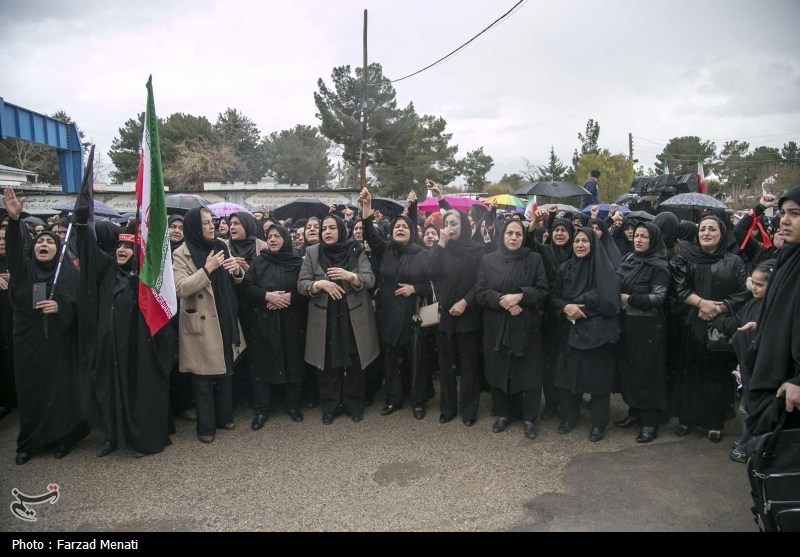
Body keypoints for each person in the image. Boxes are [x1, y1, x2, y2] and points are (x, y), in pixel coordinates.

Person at [3, 188, 90, 465]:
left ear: (57, 249)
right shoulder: (23, 270)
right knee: (32, 392)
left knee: (61, 391)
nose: (43, 244)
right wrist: (14, 221)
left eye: (49, 242)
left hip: (58, 343)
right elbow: (14, 249)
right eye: (40, 241)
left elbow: (82, 303)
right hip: (28, 341)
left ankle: (63, 437)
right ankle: (29, 442)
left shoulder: (67, 273)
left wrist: (61, 307)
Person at [76, 219, 176, 458]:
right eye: (119, 246)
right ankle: (112, 436)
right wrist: (82, 221)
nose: (121, 250)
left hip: (135, 351)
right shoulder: (107, 271)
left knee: (136, 395)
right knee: (110, 393)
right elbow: (89, 251)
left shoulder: (144, 279)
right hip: (109, 349)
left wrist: (137, 286)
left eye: (128, 247)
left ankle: (141, 439)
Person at [669, 214, 750, 443]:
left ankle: (715, 423)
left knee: (717, 376)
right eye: (702, 229)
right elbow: (678, 287)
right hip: (690, 324)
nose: (706, 233)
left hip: (721, 325)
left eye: (712, 229)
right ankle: (686, 419)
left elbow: (743, 292)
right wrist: (701, 303)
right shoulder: (685, 258)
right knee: (689, 374)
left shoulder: (734, 261)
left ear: (721, 233)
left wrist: (720, 307)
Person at [172, 207, 246, 444]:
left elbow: (234, 279)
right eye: (205, 223)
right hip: (201, 321)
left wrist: (237, 271)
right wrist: (207, 269)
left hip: (224, 315)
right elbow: (181, 288)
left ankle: (225, 417)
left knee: (226, 371)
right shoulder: (181, 253)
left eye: (211, 222)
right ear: (194, 227)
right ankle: (206, 427)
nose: (211, 226)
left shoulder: (221, 245)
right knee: (202, 377)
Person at [297, 214, 379, 424]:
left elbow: (369, 279)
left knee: (355, 361)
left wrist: (350, 276)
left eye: (332, 228)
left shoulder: (355, 249)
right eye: (324, 228)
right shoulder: (312, 252)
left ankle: (354, 404)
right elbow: (302, 284)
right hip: (325, 316)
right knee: (326, 362)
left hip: (353, 314)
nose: (327, 232)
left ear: (342, 230)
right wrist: (319, 285)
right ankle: (330, 406)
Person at [359, 188, 430, 419]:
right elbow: (369, 233)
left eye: (404, 227)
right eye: (397, 226)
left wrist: (414, 288)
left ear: (411, 232)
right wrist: (366, 207)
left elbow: (432, 282)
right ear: (391, 232)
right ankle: (393, 399)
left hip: (412, 314)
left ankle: (418, 401)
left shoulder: (421, 254)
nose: (400, 229)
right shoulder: (385, 249)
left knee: (415, 359)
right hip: (387, 313)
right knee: (391, 359)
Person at [475, 220, 549, 439]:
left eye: (518, 234)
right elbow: (480, 292)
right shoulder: (488, 260)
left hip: (526, 325)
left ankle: (529, 418)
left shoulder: (534, 259)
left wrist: (521, 296)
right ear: (502, 235)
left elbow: (542, 291)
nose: (514, 237)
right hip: (497, 325)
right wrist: (503, 300)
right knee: (499, 370)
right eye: (510, 233)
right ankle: (503, 413)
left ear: (524, 237)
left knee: (529, 372)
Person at [550, 226, 621, 442]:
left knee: (598, 381)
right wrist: (565, 307)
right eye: (576, 241)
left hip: (597, 333)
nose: (580, 245)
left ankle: (598, 423)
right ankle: (569, 417)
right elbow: (554, 296)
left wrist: (580, 305)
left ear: (593, 244)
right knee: (567, 378)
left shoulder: (604, 269)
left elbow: (608, 298)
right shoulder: (565, 268)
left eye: (584, 241)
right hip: (570, 331)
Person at [743, 186, 800, 442]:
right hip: (777, 376)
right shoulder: (789, 256)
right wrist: (765, 326)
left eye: (795, 214)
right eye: (783, 212)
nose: (784, 220)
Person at [422, 209, 486, 426]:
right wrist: (440, 244)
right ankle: (448, 409)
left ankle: (469, 410)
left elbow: (481, 282)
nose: (450, 227)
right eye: (447, 223)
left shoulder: (477, 249)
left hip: (468, 314)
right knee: (446, 365)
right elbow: (428, 271)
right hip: (445, 315)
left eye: (454, 223)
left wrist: (466, 301)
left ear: (464, 225)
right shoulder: (440, 248)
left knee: (469, 366)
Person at [242, 222, 308, 429]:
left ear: (285, 239)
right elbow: (247, 287)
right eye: (269, 236)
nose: (272, 239)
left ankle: (292, 406)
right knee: (261, 365)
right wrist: (267, 296)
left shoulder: (297, 262)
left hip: (291, 321)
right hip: (264, 322)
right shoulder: (259, 262)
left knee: (293, 362)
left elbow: (305, 289)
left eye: (277, 236)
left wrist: (289, 298)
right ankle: (261, 410)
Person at [711, 260, 774, 462]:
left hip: (762, 368)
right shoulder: (752, 304)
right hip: (747, 365)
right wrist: (716, 314)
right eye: (752, 283)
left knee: (754, 409)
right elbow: (735, 324)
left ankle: (753, 447)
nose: (754, 288)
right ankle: (747, 441)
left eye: (760, 284)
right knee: (745, 408)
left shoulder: (773, 309)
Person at [614, 222, 670, 443]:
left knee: (648, 373)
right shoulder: (630, 259)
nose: (638, 240)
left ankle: (649, 423)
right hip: (628, 324)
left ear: (653, 240)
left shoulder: (659, 266)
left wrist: (630, 299)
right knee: (631, 371)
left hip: (648, 327)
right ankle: (634, 412)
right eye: (636, 235)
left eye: (644, 236)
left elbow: (659, 298)